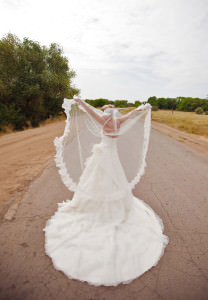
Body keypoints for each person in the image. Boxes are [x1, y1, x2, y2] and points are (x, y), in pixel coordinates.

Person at [43, 97, 169, 287]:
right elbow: (132, 114)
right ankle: (114, 211)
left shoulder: (104, 120)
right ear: (114, 112)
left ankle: (91, 210)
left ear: (105, 112)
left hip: (101, 156)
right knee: (113, 183)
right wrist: (142, 108)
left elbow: (89, 110)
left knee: (95, 181)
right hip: (112, 157)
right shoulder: (118, 121)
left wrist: (80, 101)